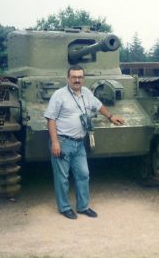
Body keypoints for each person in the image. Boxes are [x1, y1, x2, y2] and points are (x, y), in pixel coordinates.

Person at [44, 65, 125, 219]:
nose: (77, 80)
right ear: (68, 78)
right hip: (63, 141)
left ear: (83, 78)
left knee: (83, 174)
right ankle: (64, 207)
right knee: (62, 178)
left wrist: (110, 116)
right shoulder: (59, 95)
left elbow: (98, 105)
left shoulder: (86, 93)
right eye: (74, 77)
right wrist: (55, 142)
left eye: (80, 77)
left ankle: (83, 207)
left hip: (79, 142)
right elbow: (51, 119)